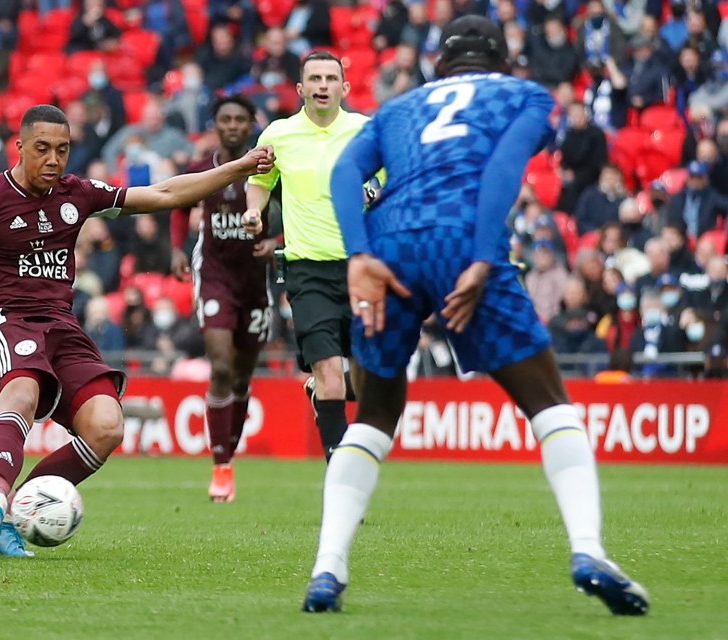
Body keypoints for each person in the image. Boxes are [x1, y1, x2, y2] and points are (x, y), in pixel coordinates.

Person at [303, 16, 650, 616]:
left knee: (376, 415)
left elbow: (342, 173)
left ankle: (327, 569)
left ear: (439, 64)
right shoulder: (525, 95)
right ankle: (588, 550)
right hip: (463, 235)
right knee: (550, 405)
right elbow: (502, 170)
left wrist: (359, 254)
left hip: (390, 243)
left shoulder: (397, 108)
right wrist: (485, 253)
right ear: (502, 61)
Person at [0, 104, 274, 557]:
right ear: (20, 147)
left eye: (62, 150)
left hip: (63, 327)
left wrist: (239, 167)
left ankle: (11, 512)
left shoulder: (76, 194)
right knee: (21, 394)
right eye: (42, 149)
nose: (53, 160)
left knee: (107, 427)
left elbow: (164, 194)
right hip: (8, 321)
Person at [242, 50, 373, 461]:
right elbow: (260, 180)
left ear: (344, 87)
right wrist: (253, 209)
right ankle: (342, 476)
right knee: (332, 377)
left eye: (330, 78)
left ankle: (321, 387)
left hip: (363, 269)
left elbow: (392, 182)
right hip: (307, 270)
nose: (322, 85)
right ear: (300, 89)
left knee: (371, 382)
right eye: (314, 78)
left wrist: (378, 192)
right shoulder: (278, 135)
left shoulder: (367, 132)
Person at [169, 94, 278, 502]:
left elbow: (298, 210)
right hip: (214, 277)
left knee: (242, 378)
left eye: (239, 119)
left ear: (252, 124)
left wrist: (277, 243)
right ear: (215, 125)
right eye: (225, 119)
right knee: (220, 368)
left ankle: (228, 457)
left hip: (255, 282)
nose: (232, 126)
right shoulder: (202, 170)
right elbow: (179, 206)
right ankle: (220, 467)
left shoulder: (268, 170)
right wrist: (177, 247)